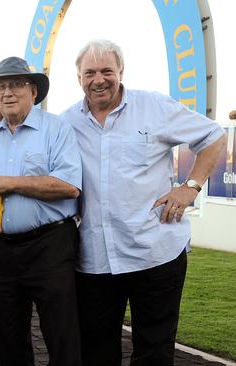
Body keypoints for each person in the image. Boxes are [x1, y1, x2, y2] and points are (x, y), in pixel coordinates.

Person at [62, 39, 227, 365]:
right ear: (78, 77)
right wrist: (0, 118)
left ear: (121, 72)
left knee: (154, 352)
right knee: (95, 352)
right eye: (90, 72)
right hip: (94, 258)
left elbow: (214, 136)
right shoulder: (66, 122)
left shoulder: (154, 107)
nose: (99, 79)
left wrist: (190, 187)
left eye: (107, 71)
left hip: (155, 251)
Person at [0, 57, 83, 366]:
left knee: (61, 335)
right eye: (0, 87)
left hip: (50, 245)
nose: (7, 93)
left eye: (15, 85)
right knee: (7, 340)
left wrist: (8, 183)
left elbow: (68, 186)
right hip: (2, 250)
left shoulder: (56, 128)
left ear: (33, 91)